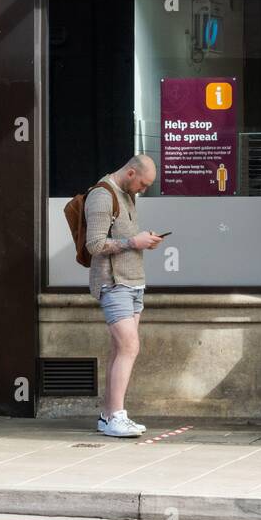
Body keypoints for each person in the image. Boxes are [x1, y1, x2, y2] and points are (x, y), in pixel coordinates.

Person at [85, 154, 165, 438]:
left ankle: (109, 415)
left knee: (121, 349)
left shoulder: (128, 194)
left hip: (132, 283)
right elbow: (94, 244)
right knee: (129, 346)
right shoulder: (102, 195)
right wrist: (133, 241)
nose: (142, 190)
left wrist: (144, 240)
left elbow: (123, 238)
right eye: (142, 184)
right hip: (113, 282)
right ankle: (116, 415)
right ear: (131, 173)